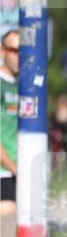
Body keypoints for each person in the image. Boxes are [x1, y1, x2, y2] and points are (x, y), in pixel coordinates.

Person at [1, 28, 18, 217]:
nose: (19, 56)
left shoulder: (27, 85)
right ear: (2, 51)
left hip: (20, 169)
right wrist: (15, 169)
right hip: (4, 171)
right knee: (8, 214)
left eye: (23, 51)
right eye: (14, 50)